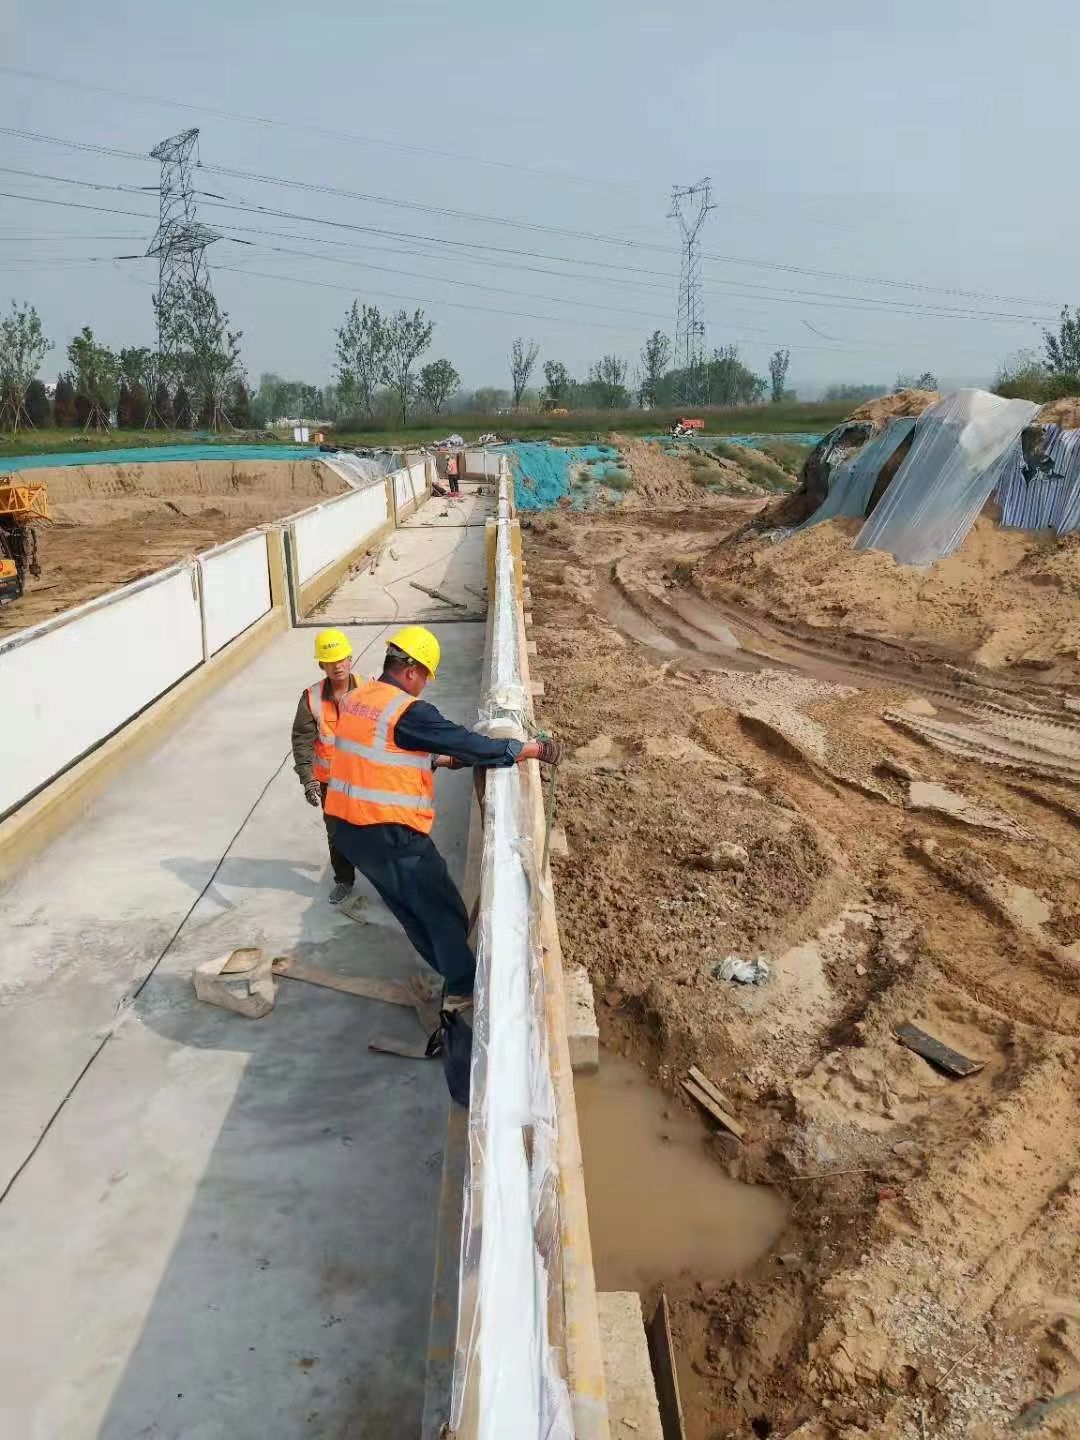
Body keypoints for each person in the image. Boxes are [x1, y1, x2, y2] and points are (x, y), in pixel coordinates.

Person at [324, 624, 559, 1006]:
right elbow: (468, 741)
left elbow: (377, 751)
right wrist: (526, 749)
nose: (424, 687)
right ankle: (465, 991)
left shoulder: (360, 697)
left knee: (409, 909)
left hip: (348, 832)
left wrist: (434, 759)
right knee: (443, 909)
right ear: (412, 670)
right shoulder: (407, 710)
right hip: (389, 833)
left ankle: (449, 972)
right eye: (425, 679)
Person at [291, 628, 360, 905]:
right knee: (337, 835)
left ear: (350, 658)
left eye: (342, 658)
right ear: (322, 664)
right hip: (330, 781)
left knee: (376, 831)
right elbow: (302, 740)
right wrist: (308, 779)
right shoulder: (311, 697)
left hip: (366, 779)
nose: (338, 665)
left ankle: (386, 882)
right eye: (331, 661)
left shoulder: (370, 689)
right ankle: (344, 879)